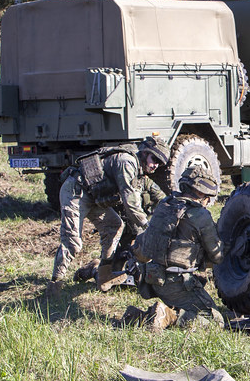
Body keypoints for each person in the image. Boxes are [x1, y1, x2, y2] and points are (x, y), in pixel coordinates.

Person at [47, 136, 171, 295]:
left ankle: (104, 275)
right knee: (73, 243)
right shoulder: (127, 163)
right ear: (145, 153)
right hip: (75, 191)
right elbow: (131, 204)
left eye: (159, 163)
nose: (155, 165)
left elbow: (154, 194)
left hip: (93, 197)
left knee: (114, 225)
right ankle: (55, 283)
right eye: (154, 159)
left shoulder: (138, 167)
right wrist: (149, 227)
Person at [132, 164, 225, 328]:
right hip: (177, 282)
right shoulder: (200, 215)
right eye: (207, 195)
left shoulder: (165, 204)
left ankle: (141, 317)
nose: (208, 200)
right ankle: (169, 317)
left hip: (153, 278)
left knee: (186, 305)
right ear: (200, 192)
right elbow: (217, 256)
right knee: (215, 322)